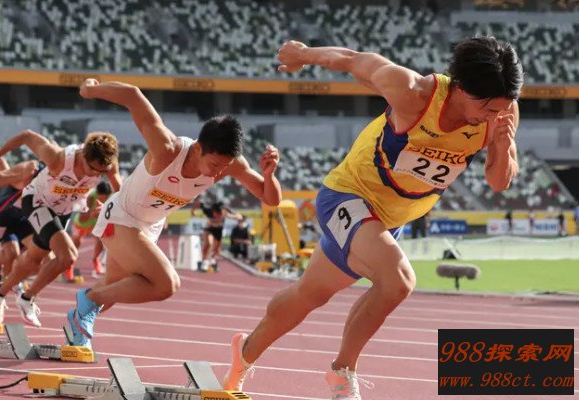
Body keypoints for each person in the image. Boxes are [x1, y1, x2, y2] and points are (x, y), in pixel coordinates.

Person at [223, 36, 522, 399]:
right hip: (349, 195)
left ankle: (243, 355)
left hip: (389, 219)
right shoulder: (412, 92)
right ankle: (342, 372)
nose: (493, 116)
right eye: (486, 108)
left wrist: (503, 145)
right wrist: (304, 54)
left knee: (310, 294)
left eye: (501, 109)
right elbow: (352, 59)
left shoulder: (502, 112)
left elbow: (499, 181)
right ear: (461, 87)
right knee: (398, 281)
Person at [67, 79, 281, 349]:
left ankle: (77, 329)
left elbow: (270, 199)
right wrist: (91, 90)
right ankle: (88, 300)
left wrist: (269, 175)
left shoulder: (229, 164)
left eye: (224, 167)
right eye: (214, 164)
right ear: (198, 148)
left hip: (149, 226)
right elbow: (133, 95)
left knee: (112, 291)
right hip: (122, 216)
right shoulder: (167, 149)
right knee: (166, 284)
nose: (218, 173)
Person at [0, 129, 121, 327]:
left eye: (102, 172)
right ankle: (27, 298)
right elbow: (27, 136)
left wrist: (106, 207)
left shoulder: (108, 164)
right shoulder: (58, 158)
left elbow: (119, 190)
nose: (98, 174)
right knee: (68, 256)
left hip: (63, 210)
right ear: (84, 156)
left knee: (34, 260)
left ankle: (0, 290)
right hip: (37, 202)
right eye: (93, 169)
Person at [0, 151, 41, 291]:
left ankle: (3, 283)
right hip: (2, 216)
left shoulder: (60, 182)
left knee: (41, 258)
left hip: (23, 220)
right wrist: (21, 176)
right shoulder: (27, 170)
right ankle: (1, 280)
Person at [68, 181, 113, 279]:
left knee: (101, 240)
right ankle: (69, 265)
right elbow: (82, 218)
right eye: (101, 197)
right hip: (82, 223)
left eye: (105, 197)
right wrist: (93, 213)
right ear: (97, 193)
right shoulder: (90, 197)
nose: (103, 200)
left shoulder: (111, 196)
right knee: (76, 243)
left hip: (95, 222)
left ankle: (96, 259)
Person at [191, 198, 242, 272]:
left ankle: (213, 259)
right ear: (213, 210)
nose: (217, 215)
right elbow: (198, 203)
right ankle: (204, 261)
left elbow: (238, 216)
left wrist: (235, 216)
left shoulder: (225, 212)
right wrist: (192, 211)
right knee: (208, 244)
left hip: (218, 230)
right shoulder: (207, 210)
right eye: (216, 213)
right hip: (209, 228)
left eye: (219, 214)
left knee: (217, 249)